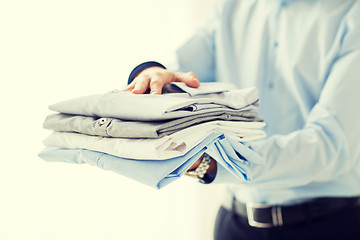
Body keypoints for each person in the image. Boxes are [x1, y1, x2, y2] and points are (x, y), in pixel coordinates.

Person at [124, 0, 360, 239]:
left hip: (327, 227)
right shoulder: (232, 7)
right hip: (233, 224)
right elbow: (179, 77)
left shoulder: (353, 15)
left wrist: (216, 164)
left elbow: (330, 145)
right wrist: (152, 74)